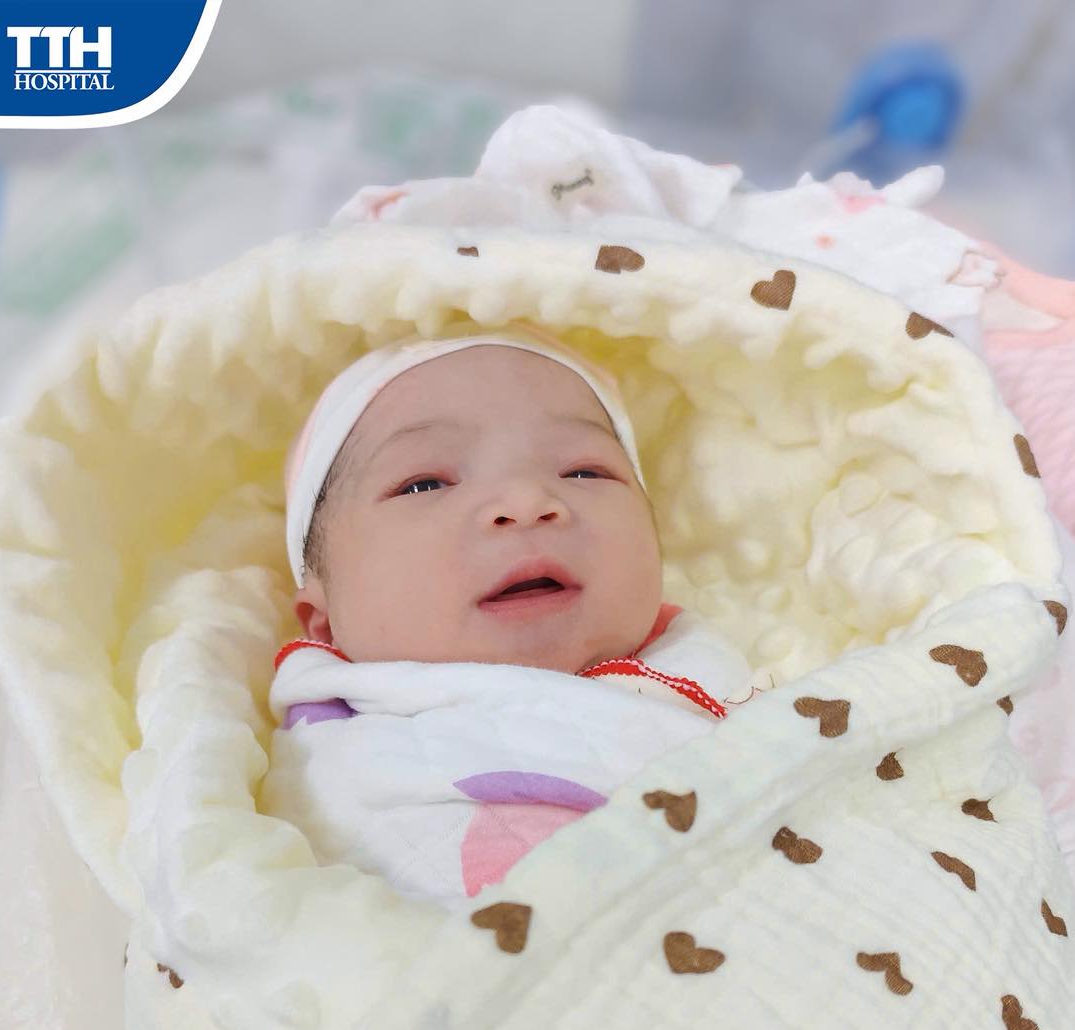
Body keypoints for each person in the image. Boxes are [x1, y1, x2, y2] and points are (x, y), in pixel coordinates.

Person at [265, 321, 760, 905]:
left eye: (583, 472)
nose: (527, 502)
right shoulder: (328, 770)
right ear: (323, 620)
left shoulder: (715, 679)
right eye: (425, 484)